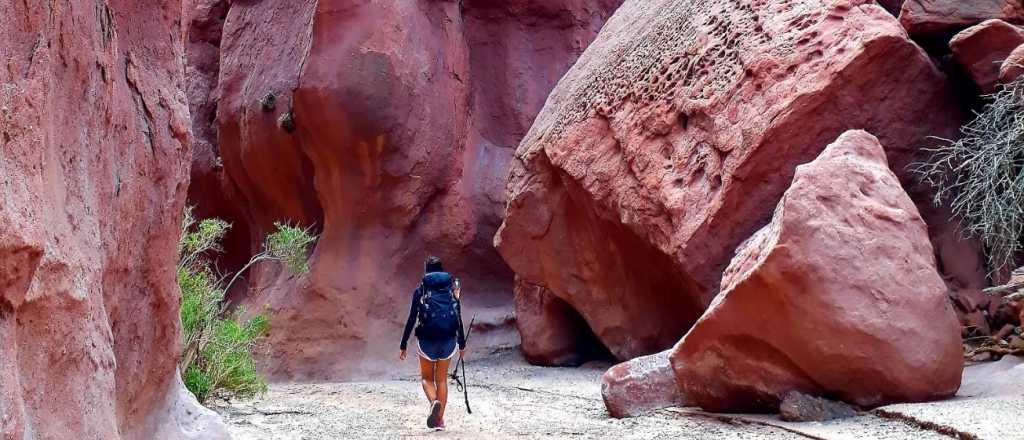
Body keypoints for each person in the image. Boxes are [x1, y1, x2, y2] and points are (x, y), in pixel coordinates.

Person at [399, 256, 466, 430]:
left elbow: (412, 318)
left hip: (427, 341)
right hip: (448, 340)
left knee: (426, 379)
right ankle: (440, 421)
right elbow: (457, 316)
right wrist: (462, 343)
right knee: (442, 380)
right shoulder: (451, 289)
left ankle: (434, 402)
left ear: (426, 271)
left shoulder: (421, 290)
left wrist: (403, 343)